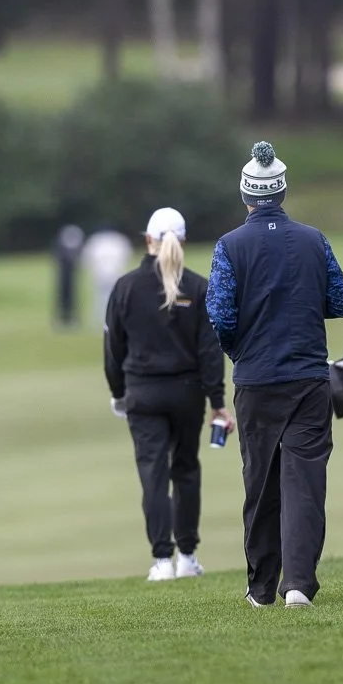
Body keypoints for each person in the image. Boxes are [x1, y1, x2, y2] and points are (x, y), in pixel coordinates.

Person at [208, 142, 343, 608]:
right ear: (282, 191)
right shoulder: (314, 240)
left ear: (246, 195)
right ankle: (299, 584)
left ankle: (262, 587)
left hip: (256, 380)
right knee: (305, 483)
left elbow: (220, 317)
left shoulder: (229, 246)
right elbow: (341, 301)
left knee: (261, 483)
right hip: (309, 378)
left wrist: (239, 352)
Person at [104, 208, 230, 583]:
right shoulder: (198, 287)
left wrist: (118, 392)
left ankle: (162, 560)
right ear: (184, 242)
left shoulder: (126, 287)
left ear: (148, 240)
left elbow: (114, 349)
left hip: (142, 393)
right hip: (188, 394)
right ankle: (188, 556)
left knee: (153, 473)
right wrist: (218, 403)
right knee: (186, 469)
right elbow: (210, 352)